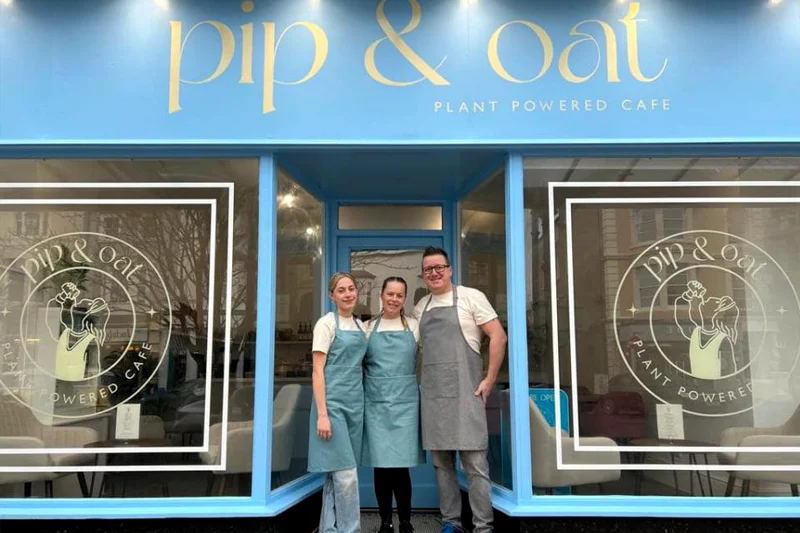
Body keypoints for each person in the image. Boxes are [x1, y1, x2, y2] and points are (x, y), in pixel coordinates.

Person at [412, 247, 507, 533]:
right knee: (442, 465)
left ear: (450, 269)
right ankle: (451, 523)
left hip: (468, 392)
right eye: (428, 269)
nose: (434, 273)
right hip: (434, 396)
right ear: (423, 274)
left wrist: (489, 379)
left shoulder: (471, 297)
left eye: (439, 267)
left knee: (475, 465)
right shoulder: (421, 307)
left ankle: (483, 527)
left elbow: (498, 336)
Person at [362, 277, 425, 533]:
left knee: (401, 468)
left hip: (405, 404)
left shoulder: (415, 326)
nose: (394, 299)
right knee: (381, 467)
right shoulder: (367, 328)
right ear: (382, 295)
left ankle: (406, 522)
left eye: (399, 295)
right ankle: (385, 522)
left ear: (405, 298)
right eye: (390, 294)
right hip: (376, 404)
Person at [309, 272, 368, 533]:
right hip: (332, 405)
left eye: (351, 288)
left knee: (336, 474)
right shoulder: (326, 324)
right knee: (346, 476)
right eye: (341, 290)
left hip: (355, 405)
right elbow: (317, 371)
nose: (348, 294)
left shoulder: (360, 326)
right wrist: (323, 414)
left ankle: (328, 529)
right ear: (331, 295)